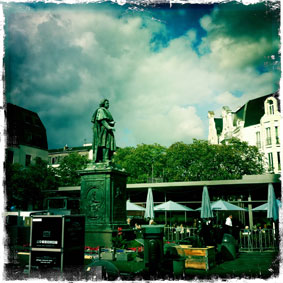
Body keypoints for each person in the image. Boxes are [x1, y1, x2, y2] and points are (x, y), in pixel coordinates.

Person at [91, 99, 116, 163]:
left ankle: (106, 157)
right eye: (107, 103)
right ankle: (105, 158)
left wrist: (111, 123)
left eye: (108, 103)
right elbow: (102, 120)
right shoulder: (101, 110)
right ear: (103, 104)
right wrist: (109, 127)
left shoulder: (106, 111)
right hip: (103, 130)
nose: (108, 104)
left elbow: (106, 120)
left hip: (107, 130)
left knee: (108, 144)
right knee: (105, 144)